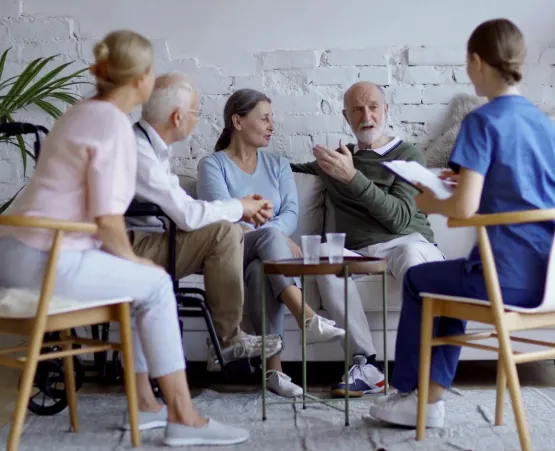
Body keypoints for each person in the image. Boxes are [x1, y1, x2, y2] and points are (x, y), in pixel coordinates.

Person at [0, 30, 252, 446]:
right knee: (153, 282)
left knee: (139, 285)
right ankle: (184, 417)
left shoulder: (80, 113)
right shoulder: (114, 125)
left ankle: (148, 406)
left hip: (14, 251)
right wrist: (135, 262)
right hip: (49, 260)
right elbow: (108, 220)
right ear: (142, 79)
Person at [369, 18, 555, 429]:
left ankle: (414, 396)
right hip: (544, 282)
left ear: (476, 61)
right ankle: (430, 396)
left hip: (501, 277)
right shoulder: (545, 124)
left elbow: (463, 211)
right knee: (445, 281)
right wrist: (468, 180)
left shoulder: (482, 121)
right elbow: (527, 190)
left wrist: (430, 201)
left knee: (420, 279)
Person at [291, 81, 445, 397]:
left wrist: (352, 177)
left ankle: (423, 366)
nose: (367, 115)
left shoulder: (408, 155)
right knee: (324, 254)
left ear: (386, 110)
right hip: (361, 254)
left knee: (409, 256)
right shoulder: (337, 160)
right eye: (357, 109)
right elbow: (282, 170)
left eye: (373, 106)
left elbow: (400, 218)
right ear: (347, 117)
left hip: (409, 243)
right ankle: (366, 364)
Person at [127, 73, 283, 371]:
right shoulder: (140, 152)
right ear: (177, 117)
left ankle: (226, 340)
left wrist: (240, 208)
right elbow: (186, 215)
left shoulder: (152, 149)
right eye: (196, 113)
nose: (198, 120)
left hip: (151, 239)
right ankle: (227, 340)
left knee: (230, 230)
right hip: (130, 247)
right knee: (225, 232)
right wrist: (240, 206)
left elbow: (184, 208)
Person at [196, 89, 345, 398]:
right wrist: (274, 235)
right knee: (264, 245)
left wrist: (272, 234)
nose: (271, 126)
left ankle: (274, 371)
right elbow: (227, 218)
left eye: (271, 119)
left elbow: (291, 211)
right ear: (238, 121)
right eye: (264, 118)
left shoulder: (277, 164)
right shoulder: (212, 165)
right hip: (226, 250)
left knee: (260, 270)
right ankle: (308, 317)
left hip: (258, 255)